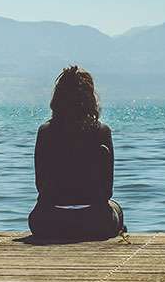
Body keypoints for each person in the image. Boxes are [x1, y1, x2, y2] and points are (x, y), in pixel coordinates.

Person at [28, 65, 126, 240]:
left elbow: (40, 185)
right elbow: (107, 191)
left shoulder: (45, 132)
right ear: (90, 99)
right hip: (95, 221)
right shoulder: (102, 131)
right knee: (116, 208)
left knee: (37, 214)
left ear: (57, 99)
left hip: (49, 222)